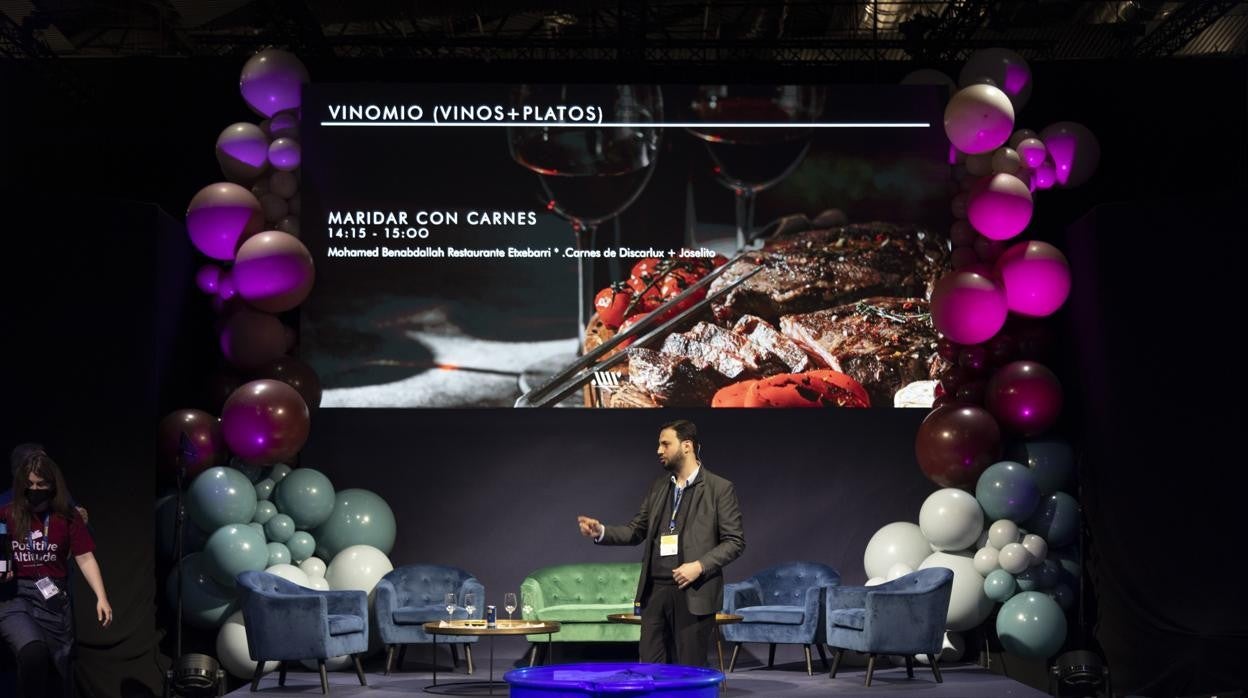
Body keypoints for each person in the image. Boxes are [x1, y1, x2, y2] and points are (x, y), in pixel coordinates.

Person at [578, 419, 745, 667]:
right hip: (655, 591)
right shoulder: (659, 487)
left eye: (665, 444)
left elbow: (735, 541)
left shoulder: (719, 489)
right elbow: (636, 530)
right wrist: (601, 531)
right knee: (650, 667)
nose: (659, 450)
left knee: (689, 669)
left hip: (693, 592)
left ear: (687, 446)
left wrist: (699, 565)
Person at [0, 450, 112, 697]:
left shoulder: (67, 517)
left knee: (58, 670)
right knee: (32, 653)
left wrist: (101, 597)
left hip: (53, 598)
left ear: (52, 485)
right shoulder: (7, 514)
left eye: (41, 484)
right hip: (15, 596)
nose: (34, 489)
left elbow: (85, 558)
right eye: (29, 484)